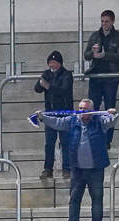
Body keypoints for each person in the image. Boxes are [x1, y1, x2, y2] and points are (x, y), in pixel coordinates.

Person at [36, 101, 118, 221]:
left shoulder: (99, 121)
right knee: (74, 199)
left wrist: (113, 114)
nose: (81, 111)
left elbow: (110, 122)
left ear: (92, 110)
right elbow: (57, 122)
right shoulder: (72, 120)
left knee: (97, 199)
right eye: (80, 108)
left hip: (95, 169)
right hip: (77, 169)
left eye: (85, 109)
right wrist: (42, 118)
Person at [83, 9, 119, 148]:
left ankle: (107, 140)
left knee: (110, 109)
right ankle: (94, 135)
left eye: (107, 21)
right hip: (96, 76)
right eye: (102, 21)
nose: (104, 24)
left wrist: (104, 55)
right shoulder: (95, 36)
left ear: (113, 21)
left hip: (111, 77)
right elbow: (86, 54)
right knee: (92, 108)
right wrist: (93, 52)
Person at [34, 51, 74, 179]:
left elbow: (64, 91)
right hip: (50, 112)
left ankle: (67, 168)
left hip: (64, 112)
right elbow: (37, 89)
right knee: (49, 143)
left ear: (60, 63)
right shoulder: (46, 74)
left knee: (65, 142)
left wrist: (49, 86)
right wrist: (41, 83)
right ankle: (48, 168)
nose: (52, 65)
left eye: (54, 62)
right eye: (50, 62)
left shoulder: (67, 74)